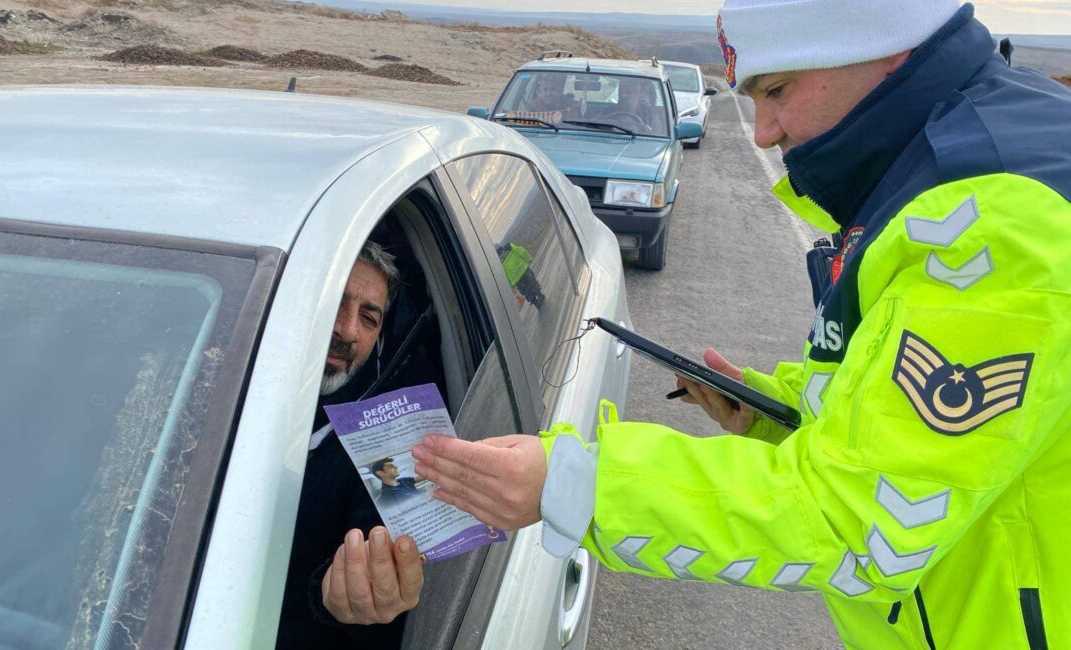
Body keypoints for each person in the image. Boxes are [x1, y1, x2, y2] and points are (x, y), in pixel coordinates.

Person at [412, 1, 1071, 648]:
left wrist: (573, 484)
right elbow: (921, 433)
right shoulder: (972, 153)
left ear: (880, 43)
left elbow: (863, 525)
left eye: (776, 90)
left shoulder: (993, 226)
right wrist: (776, 414)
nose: (763, 131)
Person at [277, 241, 425, 649]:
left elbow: (382, 528)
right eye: (335, 302)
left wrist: (343, 591)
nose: (346, 330)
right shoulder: (213, 377)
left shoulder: (387, 427)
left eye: (368, 317)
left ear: (379, 337)